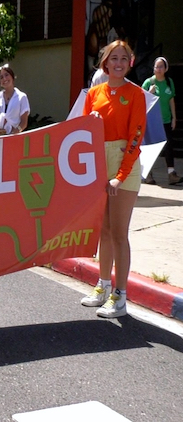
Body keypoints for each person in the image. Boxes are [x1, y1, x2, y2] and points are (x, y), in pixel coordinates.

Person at [80, 40, 146, 318]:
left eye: (123, 58)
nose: (118, 63)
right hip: (99, 164)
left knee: (119, 233)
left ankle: (120, 295)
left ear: (129, 63)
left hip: (124, 165)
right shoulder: (93, 93)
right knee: (104, 232)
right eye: (113, 58)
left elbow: (136, 136)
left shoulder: (136, 94)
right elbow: (81, 132)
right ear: (104, 63)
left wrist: (120, 176)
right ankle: (103, 285)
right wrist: (91, 121)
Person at [142, 56, 181, 186]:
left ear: (165, 69)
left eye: (161, 67)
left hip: (165, 120)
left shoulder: (169, 82)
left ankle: (172, 174)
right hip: (152, 121)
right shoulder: (149, 82)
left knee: (169, 145)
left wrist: (174, 117)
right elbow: (141, 101)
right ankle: (148, 174)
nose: (158, 69)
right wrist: (149, 92)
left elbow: (171, 100)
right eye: (156, 66)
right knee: (152, 147)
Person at [0, 64, 29, 134]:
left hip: (14, 137)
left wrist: (14, 133)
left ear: (12, 77)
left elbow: (24, 122)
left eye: (6, 75)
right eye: (1, 77)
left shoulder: (22, 97)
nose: (4, 79)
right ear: (0, 83)